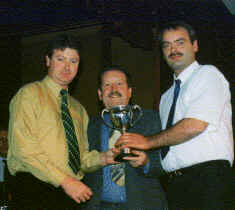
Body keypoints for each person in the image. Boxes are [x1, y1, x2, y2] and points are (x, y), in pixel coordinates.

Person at [116, 21, 234, 210]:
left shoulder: (208, 75)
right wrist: (146, 159)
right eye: (167, 45)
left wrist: (146, 142)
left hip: (208, 179)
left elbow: (195, 125)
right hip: (175, 185)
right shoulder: (166, 97)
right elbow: (168, 145)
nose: (173, 49)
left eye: (180, 42)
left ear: (194, 45)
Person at [7, 34, 116, 210]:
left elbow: (80, 159)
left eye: (74, 61)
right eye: (60, 59)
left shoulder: (78, 109)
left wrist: (103, 158)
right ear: (48, 61)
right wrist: (65, 181)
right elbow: (24, 149)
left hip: (71, 195)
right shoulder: (29, 94)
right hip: (34, 190)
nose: (67, 67)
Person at [82, 66, 168, 210]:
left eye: (119, 84)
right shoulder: (89, 125)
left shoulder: (151, 119)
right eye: (107, 85)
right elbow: (80, 165)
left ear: (129, 92)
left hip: (143, 205)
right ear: (100, 94)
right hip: (100, 206)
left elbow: (166, 162)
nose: (113, 89)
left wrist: (146, 162)